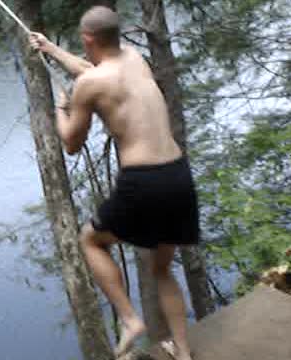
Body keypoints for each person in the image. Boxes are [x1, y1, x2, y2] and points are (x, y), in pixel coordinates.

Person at [29, 6, 198, 360]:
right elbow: (93, 72)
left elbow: (72, 144)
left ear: (88, 38)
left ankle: (130, 319)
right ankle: (182, 353)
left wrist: (62, 108)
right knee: (162, 268)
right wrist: (50, 49)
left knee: (90, 240)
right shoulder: (135, 59)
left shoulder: (89, 85)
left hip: (143, 179)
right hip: (178, 174)